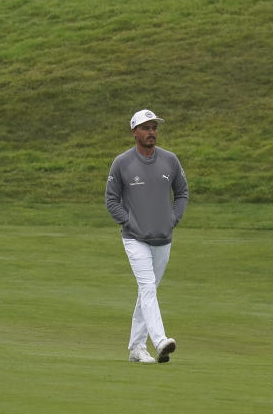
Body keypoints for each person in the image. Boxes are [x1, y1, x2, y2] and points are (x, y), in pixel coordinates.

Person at [105, 109, 189, 364]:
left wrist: (173, 218)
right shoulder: (122, 163)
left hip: (163, 237)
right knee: (147, 287)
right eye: (146, 127)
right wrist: (129, 222)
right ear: (134, 132)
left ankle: (136, 348)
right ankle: (160, 340)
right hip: (134, 238)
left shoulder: (170, 160)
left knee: (147, 292)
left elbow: (182, 192)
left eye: (154, 127)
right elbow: (111, 200)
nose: (151, 132)